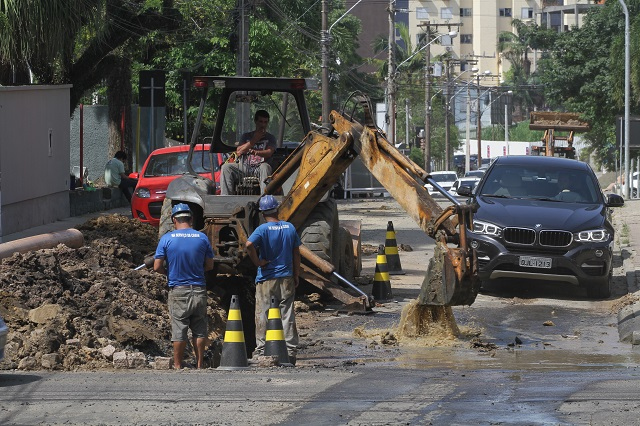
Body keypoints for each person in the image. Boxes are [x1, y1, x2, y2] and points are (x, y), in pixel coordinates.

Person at [153, 203, 215, 369]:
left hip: (179, 291)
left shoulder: (166, 239)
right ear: (191, 219)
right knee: (200, 329)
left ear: (174, 219)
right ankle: (200, 364)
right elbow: (210, 265)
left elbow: (157, 266)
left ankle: (178, 366)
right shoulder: (202, 238)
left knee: (179, 329)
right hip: (199, 290)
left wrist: (170, 273)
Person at [245, 195, 301, 365]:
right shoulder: (289, 227)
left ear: (262, 213)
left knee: (263, 314)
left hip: (266, 279)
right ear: (277, 210)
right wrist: (296, 274)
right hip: (286, 278)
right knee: (287, 314)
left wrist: (257, 262)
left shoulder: (262, 230)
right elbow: (296, 254)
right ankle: (290, 351)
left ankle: (262, 350)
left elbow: (248, 245)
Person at [220, 110, 277, 195]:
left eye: (265, 122)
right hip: (244, 166)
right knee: (226, 168)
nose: (263, 125)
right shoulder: (246, 136)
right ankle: (226, 198)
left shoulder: (270, 138)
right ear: (255, 121)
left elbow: (269, 152)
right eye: (260, 122)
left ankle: (265, 198)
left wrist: (255, 152)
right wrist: (254, 140)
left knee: (265, 167)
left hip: (260, 167)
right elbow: (239, 151)